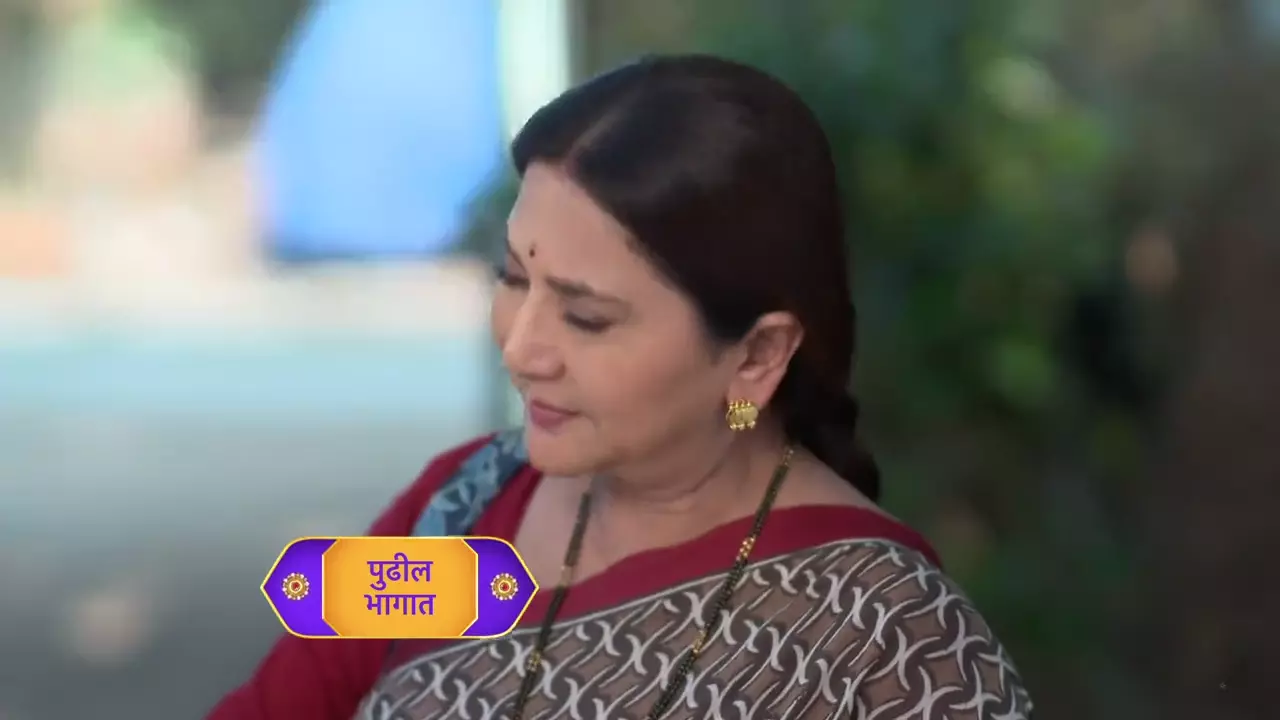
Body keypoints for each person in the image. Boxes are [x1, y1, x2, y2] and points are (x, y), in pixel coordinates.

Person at [209, 54, 1033, 719]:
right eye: (513, 279)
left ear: (756, 355)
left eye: (588, 317)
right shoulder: (460, 508)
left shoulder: (887, 640)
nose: (523, 350)